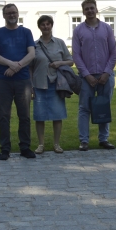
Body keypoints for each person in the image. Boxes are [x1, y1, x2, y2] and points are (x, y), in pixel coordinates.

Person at [0, 3, 37, 161]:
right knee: (4, 115)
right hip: (3, 81)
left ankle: (25, 147)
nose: (12, 15)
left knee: (24, 116)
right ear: (4, 15)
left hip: (23, 81)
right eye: (8, 13)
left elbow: (32, 54)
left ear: (18, 14)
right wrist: (11, 64)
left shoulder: (26, 32)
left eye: (14, 12)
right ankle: (5, 148)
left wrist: (17, 67)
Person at [72, 0, 116, 151]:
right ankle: (84, 140)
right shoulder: (78, 30)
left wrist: (107, 73)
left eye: (92, 8)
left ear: (97, 9)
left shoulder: (106, 28)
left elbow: (113, 52)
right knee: (84, 108)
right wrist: (86, 75)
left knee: (104, 106)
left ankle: (103, 139)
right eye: (87, 9)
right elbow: (76, 55)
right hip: (86, 77)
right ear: (83, 11)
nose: (90, 11)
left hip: (106, 76)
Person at [31, 15, 74, 154]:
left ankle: (57, 144)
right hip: (39, 84)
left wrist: (59, 63)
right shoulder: (34, 45)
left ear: (52, 25)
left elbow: (70, 61)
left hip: (57, 84)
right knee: (39, 116)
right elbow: (29, 67)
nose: (46, 26)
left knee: (57, 114)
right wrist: (30, 86)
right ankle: (41, 144)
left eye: (48, 24)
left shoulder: (60, 43)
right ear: (39, 27)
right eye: (43, 24)